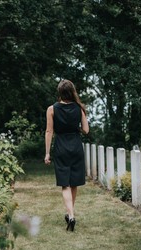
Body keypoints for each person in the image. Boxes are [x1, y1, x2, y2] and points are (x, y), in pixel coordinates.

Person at [44, 79, 89, 232]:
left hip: (61, 146)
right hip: (76, 146)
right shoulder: (79, 108)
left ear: (60, 93)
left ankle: (71, 215)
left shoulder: (51, 109)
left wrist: (47, 153)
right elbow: (86, 130)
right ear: (72, 92)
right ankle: (70, 214)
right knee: (74, 182)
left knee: (65, 183)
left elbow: (49, 131)